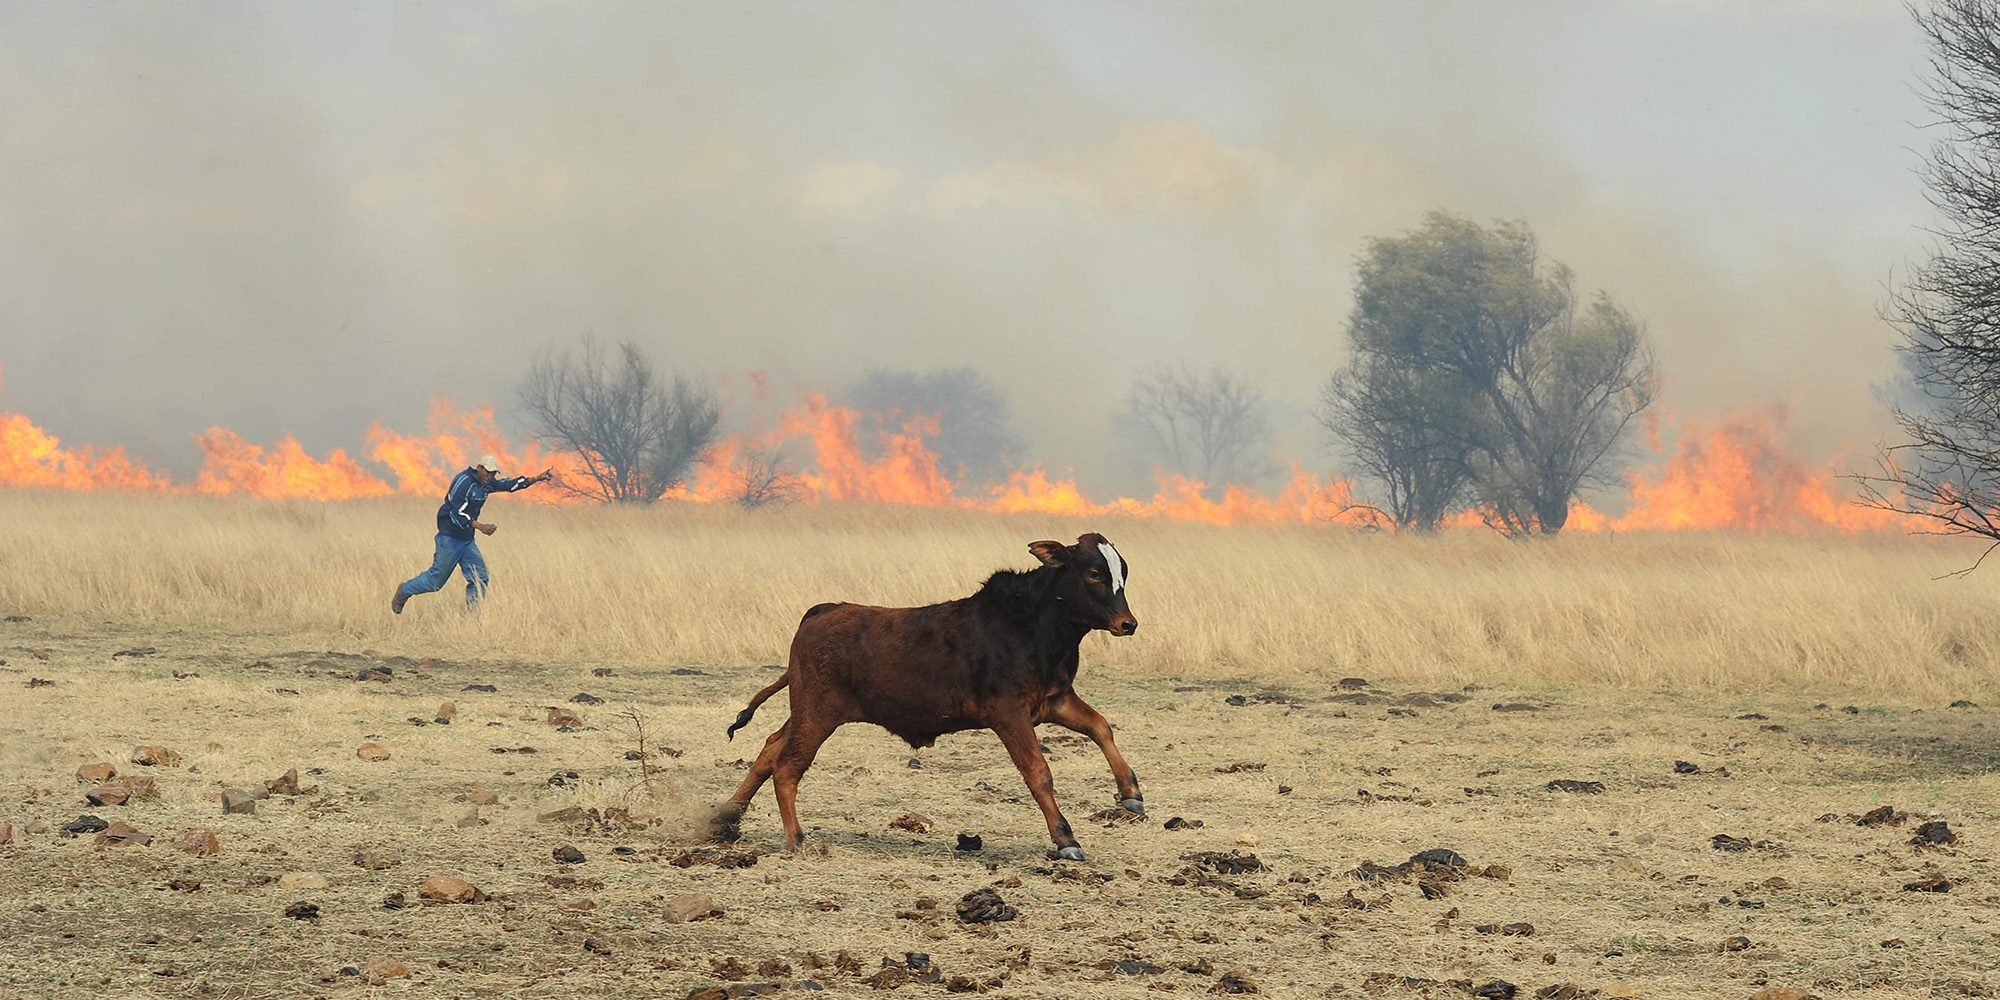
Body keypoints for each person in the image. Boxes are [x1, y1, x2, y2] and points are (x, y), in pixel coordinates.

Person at [392, 455, 553, 613]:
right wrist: (480, 526)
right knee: (435, 582)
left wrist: (537, 478)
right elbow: (457, 513)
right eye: (487, 472)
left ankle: (472, 616)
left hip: (467, 540)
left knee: (480, 577)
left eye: (493, 474)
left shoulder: (487, 484)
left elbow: (510, 485)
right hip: (449, 538)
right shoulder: (463, 482)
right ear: (479, 468)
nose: (489, 477)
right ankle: (404, 590)